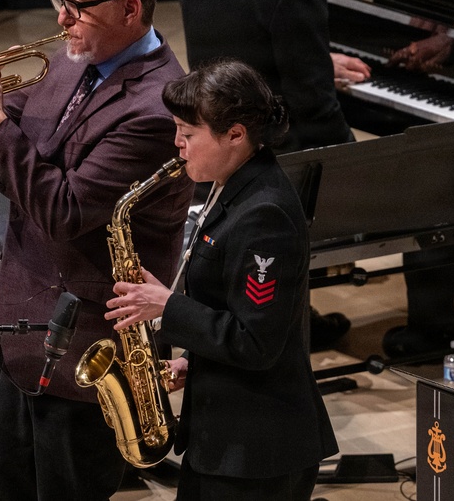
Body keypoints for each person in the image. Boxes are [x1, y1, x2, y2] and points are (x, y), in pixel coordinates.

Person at [0, 0, 194, 501]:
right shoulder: (74, 56)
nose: (62, 17)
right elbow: (20, 141)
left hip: (87, 350)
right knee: (10, 483)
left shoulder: (156, 108)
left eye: (78, 4)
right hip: (25, 328)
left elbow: (64, 208)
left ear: (131, 8)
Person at [104, 60, 339, 501]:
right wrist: (194, 364)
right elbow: (237, 311)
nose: (178, 146)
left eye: (187, 134)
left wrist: (167, 306)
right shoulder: (232, 184)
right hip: (227, 440)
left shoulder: (265, 215)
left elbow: (257, 341)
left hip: (258, 453)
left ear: (235, 134)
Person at [179, 0, 367, 349]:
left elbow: (233, 52)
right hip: (274, 160)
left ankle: (292, 311)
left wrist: (314, 57)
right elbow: (314, 105)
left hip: (214, 139)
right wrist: (360, 170)